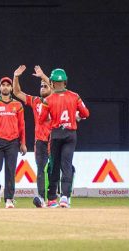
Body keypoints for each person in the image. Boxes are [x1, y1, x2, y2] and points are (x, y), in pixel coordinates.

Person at [39, 68, 90, 208]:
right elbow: (86, 113)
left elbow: (41, 119)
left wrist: (51, 117)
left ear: (53, 82)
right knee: (66, 165)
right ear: (65, 81)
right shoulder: (75, 96)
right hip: (70, 134)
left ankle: (51, 198)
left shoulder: (48, 100)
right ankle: (65, 198)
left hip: (56, 134)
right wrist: (76, 117)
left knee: (54, 166)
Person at [12, 65, 52, 208]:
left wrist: (43, 76)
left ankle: (56, 197)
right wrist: (15, 76)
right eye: (41, 85)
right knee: (40, 169)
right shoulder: (35, 101)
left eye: (45, 86)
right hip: (40, 141)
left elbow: (57, 88)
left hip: (54, 139)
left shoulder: (55, 99)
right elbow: (16, 92)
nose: (42, 87)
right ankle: (41, 198)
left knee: (53, 169)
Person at [0, 77, 27, 209]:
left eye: (8, 85)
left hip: (13, 142)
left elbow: (22, 125)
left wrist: (23, 143)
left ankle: (9, 199)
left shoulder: (18, 105)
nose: (5, 87)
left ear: (11, 88)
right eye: (3, 85)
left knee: (10, 171)